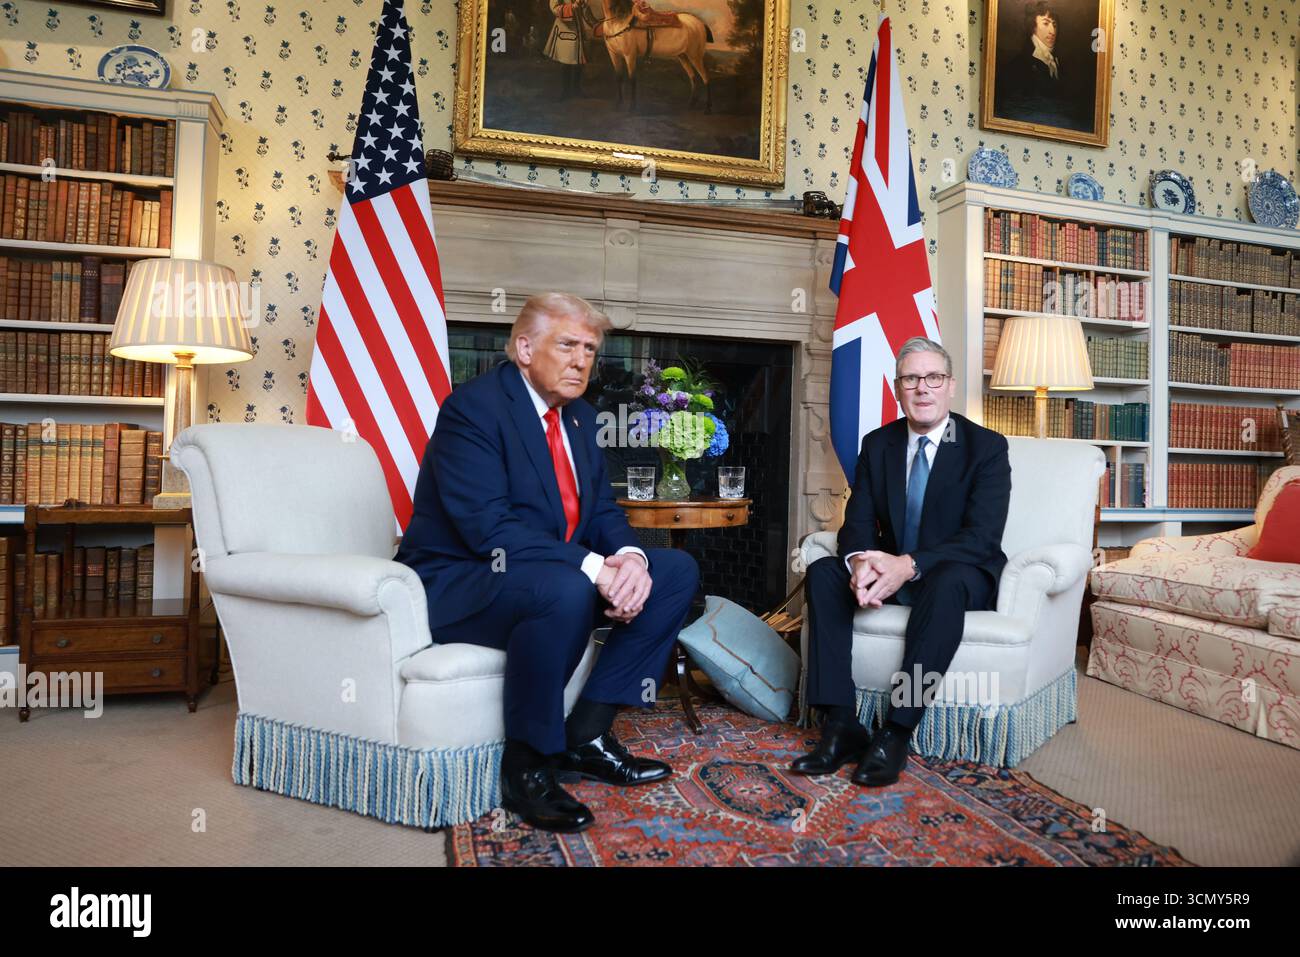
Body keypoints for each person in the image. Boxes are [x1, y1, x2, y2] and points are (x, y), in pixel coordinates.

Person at [396, 292, 699, 833]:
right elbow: (488, 530)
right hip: (461, 582)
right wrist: (593, 569)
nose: (581, 360)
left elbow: (601, 511)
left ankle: (586, 735)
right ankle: (528, 766)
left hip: (547, 575)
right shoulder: (473, 408)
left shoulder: (579, 418)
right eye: (567, 345)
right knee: (567, 587)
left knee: (673, 573)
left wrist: (628, 560)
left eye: (590, 348)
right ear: (524, 348)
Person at [792, 337, 1012, 786]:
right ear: (898, 388)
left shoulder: (985, 447)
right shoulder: (879, 445)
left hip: (957, 572)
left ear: (949, 385)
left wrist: (908, 565)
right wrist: (859, 562)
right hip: (888, 569)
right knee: (822, 572)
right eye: (912, 379)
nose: (923, 388)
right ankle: (840, 722)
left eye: (933, 378)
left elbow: (982, 538)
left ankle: (895, 731)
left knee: (947, 580)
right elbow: (857, 522)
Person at [543, 0, 596, 99]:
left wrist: (594, 23)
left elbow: (585, 11)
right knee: (566, 61)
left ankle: (577, 90)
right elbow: (554, 8)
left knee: (579, 61)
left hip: (578, 29)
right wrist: (572, 7)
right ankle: (565, 92)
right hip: (565, 29)